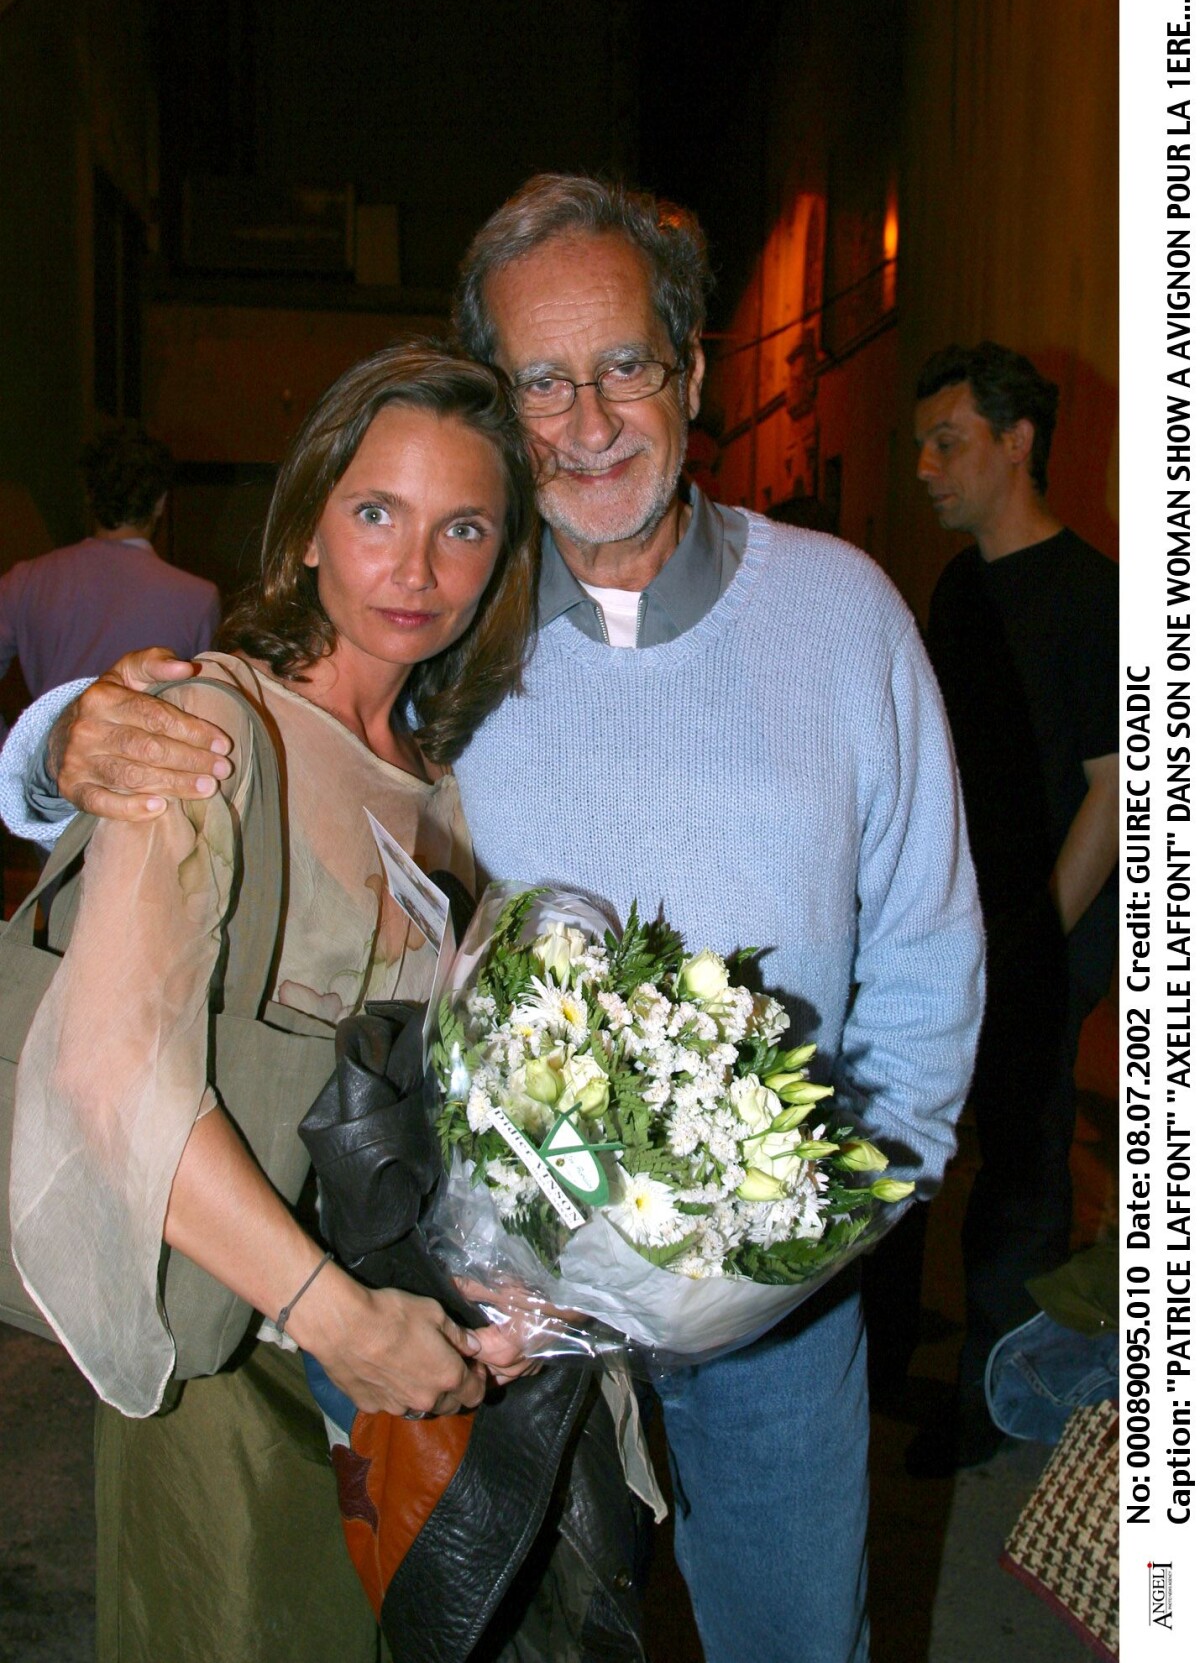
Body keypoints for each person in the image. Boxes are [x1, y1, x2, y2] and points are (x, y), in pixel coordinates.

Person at [2, 177, 985, 1663]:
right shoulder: (465, 638)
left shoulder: (846, 616)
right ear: (498, 399)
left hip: (780, 1325)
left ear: (696, 371)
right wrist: (60, 736)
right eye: (540, 378)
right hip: (488, 1327)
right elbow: (257, 727)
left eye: (626, 366)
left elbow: (927, 970)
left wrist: (807, 1243)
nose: (588, 420)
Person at [8, 344, 565, 1663]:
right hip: (236, 1356)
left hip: (396, 1374)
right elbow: (105, 1067)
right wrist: (335, 1313)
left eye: (463, 527)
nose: (415, 569)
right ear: (311, 519)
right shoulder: (210, 723)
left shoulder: (450, 793)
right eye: (377, 512)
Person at [909, 340, 1118, 1474]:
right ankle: (936, 1366)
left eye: (951, 441)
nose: (929, 466)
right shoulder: (958, 588)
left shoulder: (1097, 595)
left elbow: (1115, 780)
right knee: (946, 1140)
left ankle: (998, 1400)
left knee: (1026, 1166)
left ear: (1018, 442)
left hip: (1045, 925)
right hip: (965, 916)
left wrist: (1031, 929)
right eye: (924, 445)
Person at [0, 425, 220, 706]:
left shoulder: (25, 581)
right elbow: (206, 704)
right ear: (160, 502)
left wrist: (13, 745)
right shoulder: (198, 598)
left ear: (90, 495)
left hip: (51, 746)